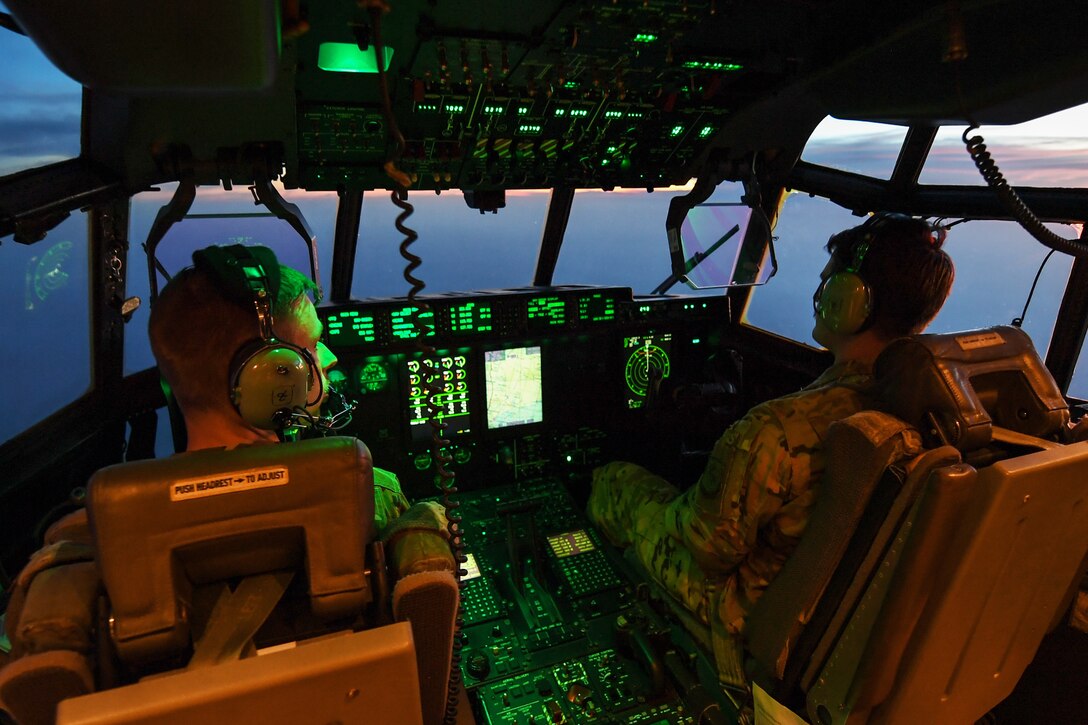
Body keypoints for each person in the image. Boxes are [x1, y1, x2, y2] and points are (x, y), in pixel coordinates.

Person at [587, 213, 955, 686]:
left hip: (743, 615)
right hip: (832, 615)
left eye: (830, 282)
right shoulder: (933, 411)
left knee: (617, 480)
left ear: (851, 302)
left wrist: (680, 490)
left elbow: (706, 548)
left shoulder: (776, 430)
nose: (820, 291)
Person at [149, 244, 413, 530]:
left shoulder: (128, 517)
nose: (330, 358)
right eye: (312, 345)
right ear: (268, 376)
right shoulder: (369, 492)